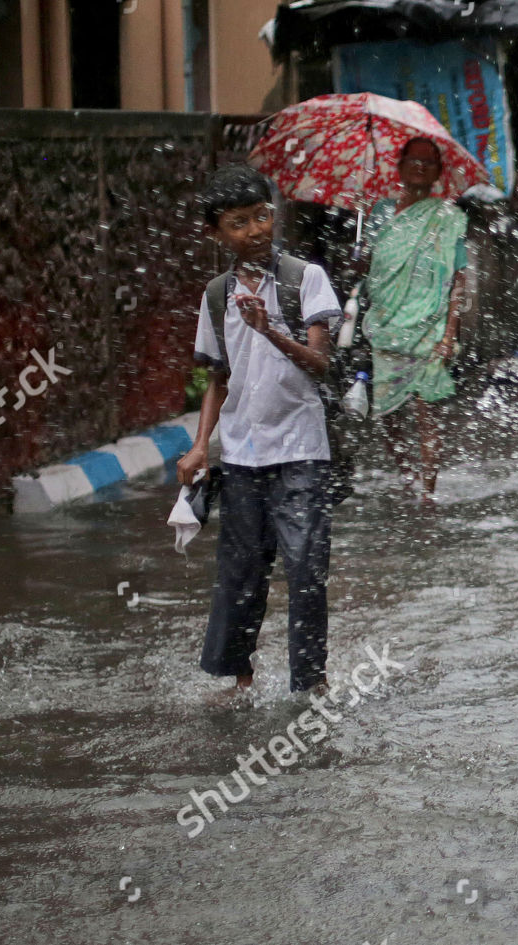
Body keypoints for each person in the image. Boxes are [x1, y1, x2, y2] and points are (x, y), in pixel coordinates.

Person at [179, 164, 343, 696]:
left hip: (302, 449)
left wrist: (269, 330)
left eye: (261, 217)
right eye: (238, 222)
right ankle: (239, 678)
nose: (254, 230)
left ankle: (310, 681)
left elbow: (320, 363)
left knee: (305, 570)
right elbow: (217, 377)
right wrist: (201, 445)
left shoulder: (305, 278)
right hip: (243, 454)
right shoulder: (215, 294)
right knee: (241, 575)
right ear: (215, 233)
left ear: (274, 216)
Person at [360, 137, 468, 499]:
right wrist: (361, 249)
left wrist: (450, 333)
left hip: (431, 327)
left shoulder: (449, 218)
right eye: (414, 160)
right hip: (388, 324)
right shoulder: (379, 213)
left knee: (426, 410)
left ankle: (428, 492)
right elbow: (369, 265)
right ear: (400, 166)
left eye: (429, 162)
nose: (420, 167)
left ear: (439, 172)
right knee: (388, 413)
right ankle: (406, 474)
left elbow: (458, 277)